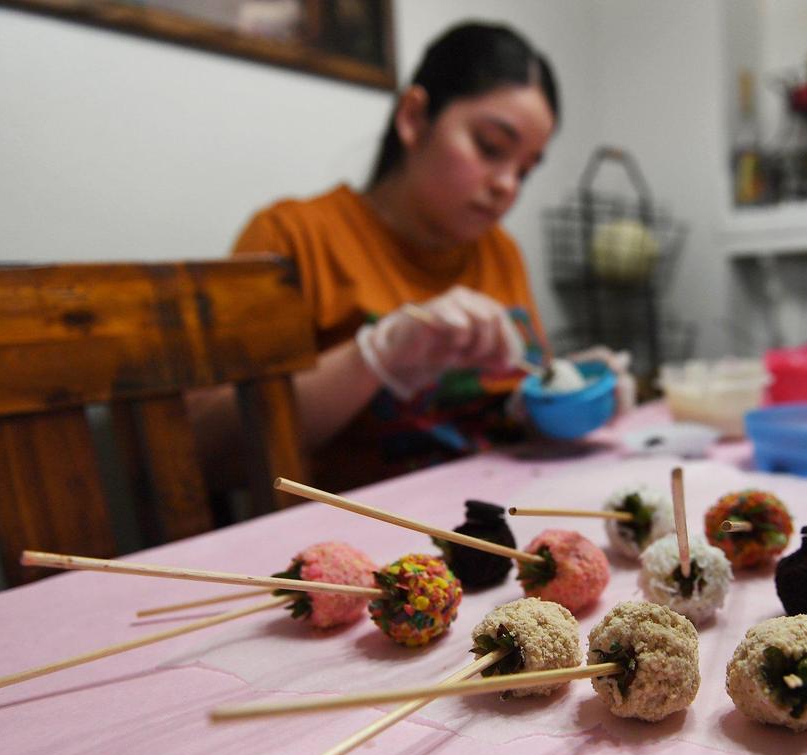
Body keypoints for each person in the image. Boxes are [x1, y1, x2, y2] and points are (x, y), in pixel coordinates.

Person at [201, 21, 631, 494]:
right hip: (353, 539)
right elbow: (208, 453)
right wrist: (373, 358)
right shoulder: (295, 237)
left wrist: (565, 400)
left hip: (497, 518)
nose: (508, 185)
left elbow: (515, 419)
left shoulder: (500, 252)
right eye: (490, 148)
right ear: (413, 117)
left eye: (525, 170)